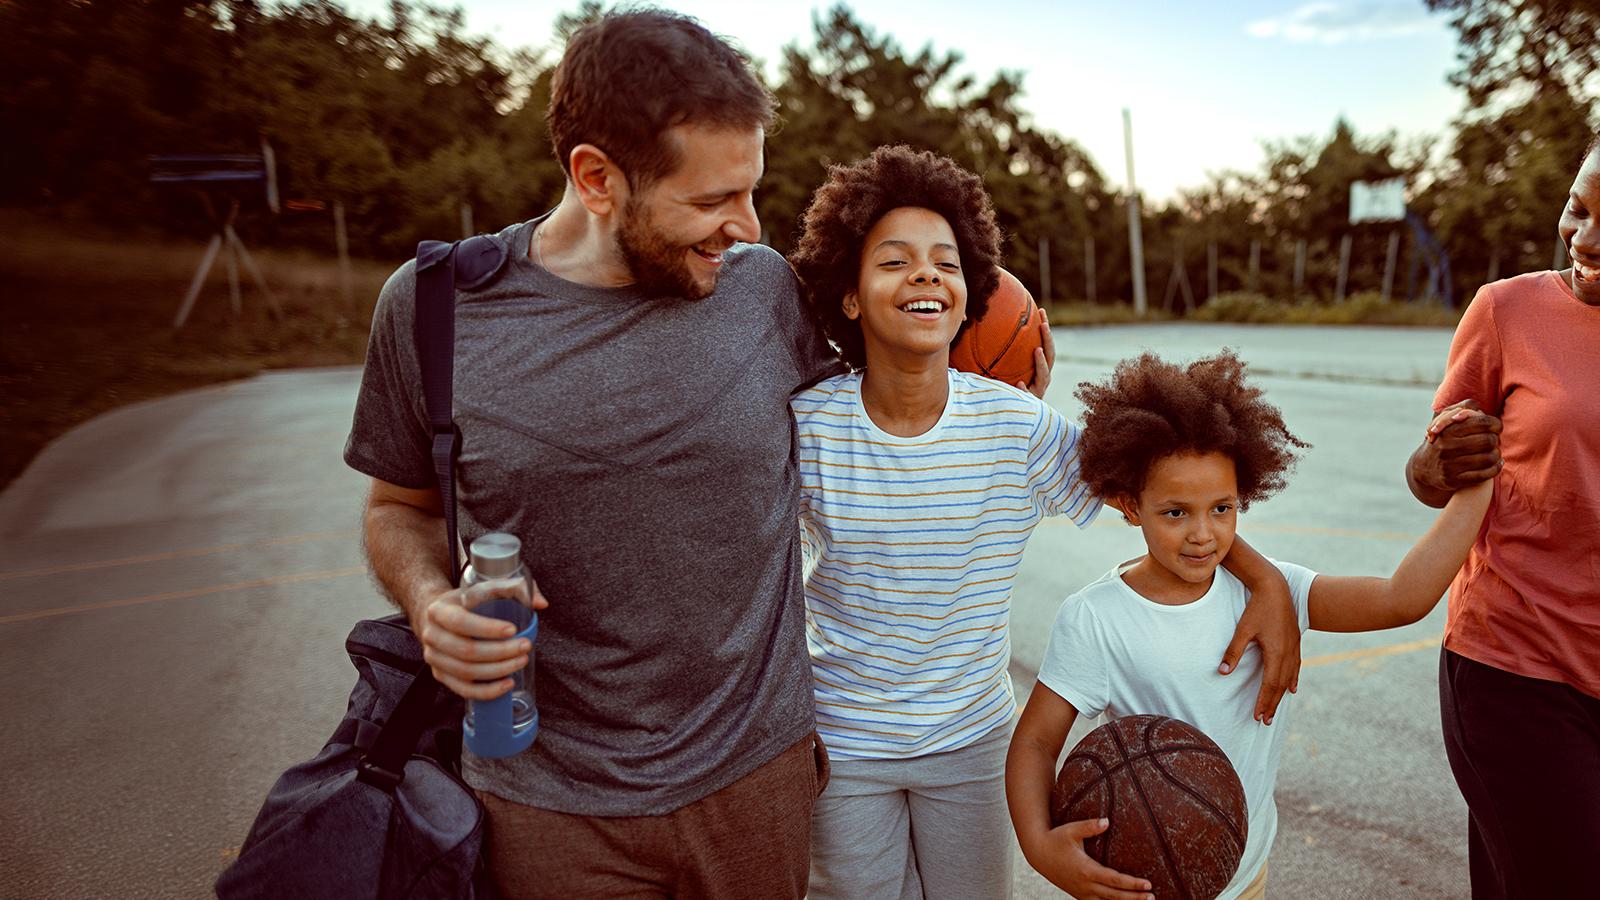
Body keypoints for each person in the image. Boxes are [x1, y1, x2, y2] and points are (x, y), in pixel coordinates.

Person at [345, 11, 847, 898]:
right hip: (545, 797)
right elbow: (399, 509)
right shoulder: (433, 312)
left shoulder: (766, 290)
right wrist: (430, 607)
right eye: (710, 200)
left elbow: (891, 403)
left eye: (751, 188)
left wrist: (996, 359)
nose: (748, 226)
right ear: (596, 177)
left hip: (754, 777)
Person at [787, 147, 1305, 900]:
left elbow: (1150, 498)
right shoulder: (808, 427)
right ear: (849, 295)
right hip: (846, 737)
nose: (927, 273)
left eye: (947, 262)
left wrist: (1261, 580)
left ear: (968, 298)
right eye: (895, 261)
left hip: (970, 741)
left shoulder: (1016, 427)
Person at [1007, 351, 1494, 900]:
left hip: (1244, 874)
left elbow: (1400, 600)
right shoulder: (1096, 617)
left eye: (1223, 508)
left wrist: (1482, 479)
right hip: (1143, 878)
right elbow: (1035, 744)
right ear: (1128, 504)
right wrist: (1040, 846)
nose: (1202, 534)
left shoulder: (1273, 591)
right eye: (1175, 512)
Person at [1406, 135, 1600, 899]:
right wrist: (1432, 463)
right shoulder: (1508, 311)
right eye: (1578, 209)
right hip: (1515, 667)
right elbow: (1430, 473)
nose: (1584, 239)